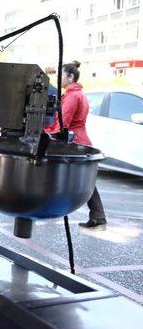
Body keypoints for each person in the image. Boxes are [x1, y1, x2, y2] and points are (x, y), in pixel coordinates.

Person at [45, 61, 107, 229]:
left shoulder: (72, 96)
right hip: (80, 140)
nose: (59, 78)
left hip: (74, 142)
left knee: (60, 176)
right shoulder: (78, 93)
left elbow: (63, 123)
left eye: (61, 75)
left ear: (70, 76)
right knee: (86, 181)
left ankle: (49, 210)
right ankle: (98, 216)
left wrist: (46, 131)